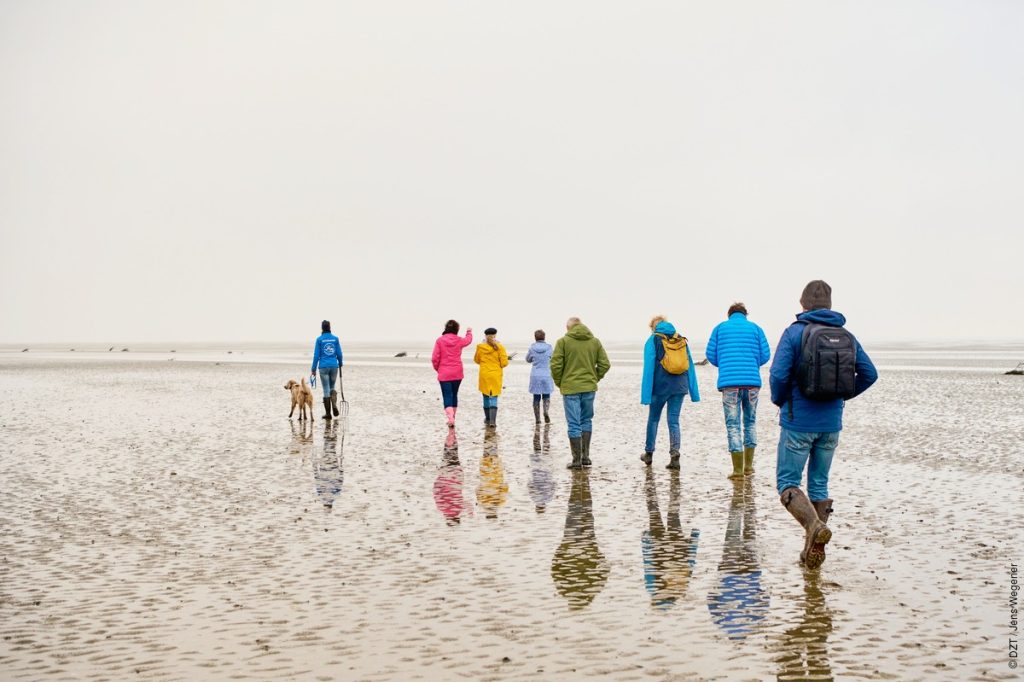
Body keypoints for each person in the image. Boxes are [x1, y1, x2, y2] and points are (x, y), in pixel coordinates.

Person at [769, 280, 877, 569]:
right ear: (829, 305)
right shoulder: (847, 335)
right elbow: (869, 374)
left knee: (787, 483)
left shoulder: (794, 333)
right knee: (819, 483)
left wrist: (780, 401)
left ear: (802, 304)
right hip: (831, 423)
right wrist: (842, 396)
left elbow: (778, 375)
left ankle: (814, 529)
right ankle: (811, 552)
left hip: (798, 421)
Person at [706, 303, 771, 479]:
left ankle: (737, 470)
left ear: (729, 314)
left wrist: (726, 364)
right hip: (752, 383)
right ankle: (749, 466)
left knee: (733, 425)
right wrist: (752, 363)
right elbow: (765, 355)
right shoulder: (756, 329)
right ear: (745, 314)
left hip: (730, 384)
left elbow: (711, 354)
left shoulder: (720, 328)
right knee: (750, 423)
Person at [640, 315, 700, 470]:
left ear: (653, 327)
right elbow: (690, 366)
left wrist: (646, 395)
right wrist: (694, 392)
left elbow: (648, 370)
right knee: (673, 421)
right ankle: (675, 455)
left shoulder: (653, 340)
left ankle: (649, 454)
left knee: (653, 419)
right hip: (680, 387)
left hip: (660, 387)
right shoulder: (680, 339)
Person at [550, 317, 611, 469]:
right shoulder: (594, 341)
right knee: (586, 420)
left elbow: (555, 366)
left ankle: (576, 460)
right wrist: (594, 378)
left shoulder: (563, 342)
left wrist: (560, 382)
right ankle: (585, 457)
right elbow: (605, 364)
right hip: (589, 387)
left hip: (571, 388)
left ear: (568, 328)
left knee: (574, 423)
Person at [432, 320, 473, 428]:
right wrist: (469, 331)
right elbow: (468, 340)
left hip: (444, 373)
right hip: (457, 372)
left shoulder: (440, 341)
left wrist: (438, 369)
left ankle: (450, 418)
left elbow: (434, 358)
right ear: (457, 329)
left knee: (447, 396)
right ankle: (453, 417)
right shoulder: (459, 340)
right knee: (454, 395)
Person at [473, 327, 509, 427]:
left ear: (485, 335)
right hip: (495, 374)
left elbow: (476, 360)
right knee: (494, 396)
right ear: (495, 335)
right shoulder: (500, 347)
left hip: (484, 374)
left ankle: (487, 418)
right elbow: (504, 363)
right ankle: (493, 421)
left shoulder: (480, 346)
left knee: (485, 395)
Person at [310, 320, 343, 421]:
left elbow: (316, 355)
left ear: (322, 328)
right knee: (332, 387)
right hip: (334, 366)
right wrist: (340, 363)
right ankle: (334, 405)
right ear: (329, 327)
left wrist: (313, 369)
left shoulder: (319, 339)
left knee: (326, 389)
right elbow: (339, 353)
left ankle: (328, 414)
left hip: (323, 367)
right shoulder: (335, 339)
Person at [526, 329, 555, 423]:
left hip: (535, 375)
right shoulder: (549, 347)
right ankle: (546, 411)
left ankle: (537, 419)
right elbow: (553, 358)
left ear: (535, 337)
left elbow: (528, 359)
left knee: (536, 396)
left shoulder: (532, 348)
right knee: (546, 394)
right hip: (546, 374)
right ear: (544, 337)